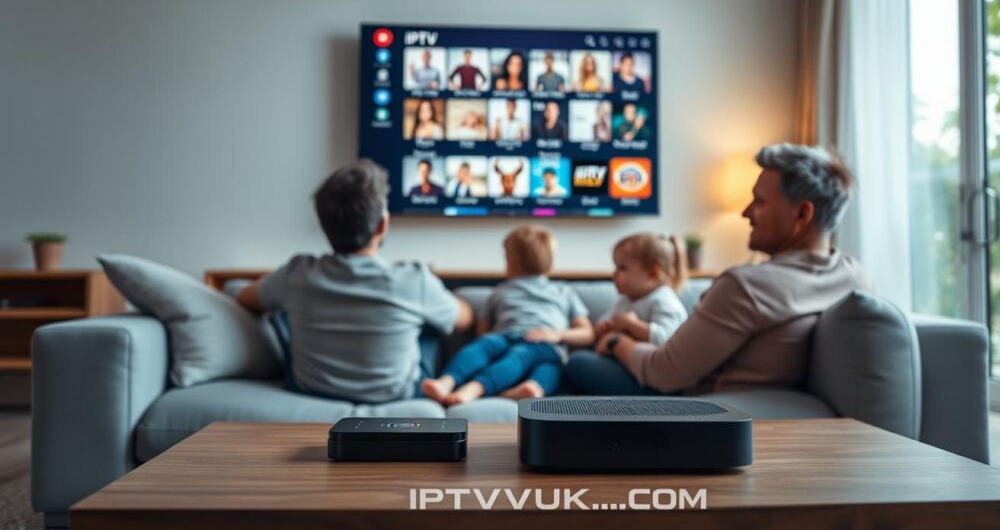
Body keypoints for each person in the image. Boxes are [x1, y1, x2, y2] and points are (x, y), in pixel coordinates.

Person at [564, 144, 872, 395]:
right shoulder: (854, 276)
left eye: (759, 202)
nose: (746, 212)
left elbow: (664, 372)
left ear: (802, 214)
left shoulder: (747, 286)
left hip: (693, 401)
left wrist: (618, 342)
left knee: (578, 364)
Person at [234, 160, 474, 403]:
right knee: (430, 323)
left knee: (281, 312)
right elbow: (464, 321)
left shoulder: (297, 273)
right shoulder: (413, 279)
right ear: (382, 224)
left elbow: (243, 297)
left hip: (310, 388)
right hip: (395, 393)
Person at [421, 226, 594, 404]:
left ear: (510, 263)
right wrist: (490, 347)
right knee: (484, 346)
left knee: (544, 367)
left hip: (546, 345)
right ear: (551, 263)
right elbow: (483, 334)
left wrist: (558, 335)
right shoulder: (500, 292)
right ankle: (447, 382)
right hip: (505, 339)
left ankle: (477, 388)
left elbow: (587, 333)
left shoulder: (564, 291)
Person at [594, 234, 689, 349]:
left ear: (652, 273)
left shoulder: (664, 300)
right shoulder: (624, 300)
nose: (614, 275)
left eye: (622, 268)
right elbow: (605, 321)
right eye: (616, 267)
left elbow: (665, 339)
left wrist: (631, 324)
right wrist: (603, 326)